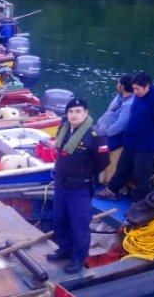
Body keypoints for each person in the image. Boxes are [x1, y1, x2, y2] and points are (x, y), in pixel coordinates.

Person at [43, 98, 111, 274]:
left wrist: (84, 173)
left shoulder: (95, 137)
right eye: (71, 111)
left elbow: (103, 162)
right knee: (60, 219)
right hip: (61, 184)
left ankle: (78, 258)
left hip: (79, 187)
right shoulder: (63, 130)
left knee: (79, 224)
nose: (74, 115)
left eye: (78, 111)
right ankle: (64, 248)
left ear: (86, 113)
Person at [99, 71, 154, 201]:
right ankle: (111, 191)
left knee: (141, 174)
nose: (135, 92)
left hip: (146, 145)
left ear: (147, 86)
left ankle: (138, 201)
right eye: (134, 88)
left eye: (137, 89)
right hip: (131, 141)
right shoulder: (138, 96)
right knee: (122, 168)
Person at [94, 74, 135, 194]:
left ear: (122, 86)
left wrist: (104, 133)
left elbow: (120, 126)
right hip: (101, 128)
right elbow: (108, 112)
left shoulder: (129, 105)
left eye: (118, 83)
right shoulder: (119, 97)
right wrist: (99, 125)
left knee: (96, 148)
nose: (116, 86)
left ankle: (95, 180)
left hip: (114, 137)